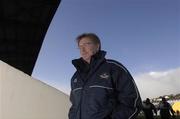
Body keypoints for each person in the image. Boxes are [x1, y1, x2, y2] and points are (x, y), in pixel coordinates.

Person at [68, 33, 142, 119]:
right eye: (80, 46)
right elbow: (74, 105)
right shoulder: (75, 77)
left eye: (86, 44)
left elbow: (131, 102)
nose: (82, 49)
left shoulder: (113, 68)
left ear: (97, 46)